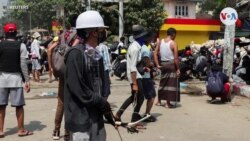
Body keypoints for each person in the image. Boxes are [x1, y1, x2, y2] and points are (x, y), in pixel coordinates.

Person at [64, 10, 115, 141]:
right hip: (81, 120)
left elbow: (101, 83)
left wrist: (104, 104)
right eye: (101, 30)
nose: (104, 33)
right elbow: (78, 88)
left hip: (96, 117)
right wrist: (101, 102)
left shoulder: (95, 54)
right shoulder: (75, 54)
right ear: (93, 32)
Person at [0, 23, 32, 138]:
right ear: (16, 33)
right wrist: (27, 80)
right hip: (16, 80)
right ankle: (21, 130)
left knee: (1, 106)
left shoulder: (0, 45)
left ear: (5, 33)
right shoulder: (21, 46)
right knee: (19, 106)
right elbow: (23, 65)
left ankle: (0, 131)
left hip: (1, 80)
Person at [48, 17, 78, 140]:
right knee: (71, 102)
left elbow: (49, 50)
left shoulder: (62, 36)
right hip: (72, 74)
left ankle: (56, 130)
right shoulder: (78, 36)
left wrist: (51, 68)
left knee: (61, 102)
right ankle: (67, 132)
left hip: (62, 74)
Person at [114, 25, 147, 124]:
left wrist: (144, 68)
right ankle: (134, 117)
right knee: (139, 97)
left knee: (135, 97)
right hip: (134, 76)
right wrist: (135, 84)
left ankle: (119, 114)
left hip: (136, 74)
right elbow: (132, 67)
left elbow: (135, 64)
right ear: (141, 37)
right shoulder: (135, 48)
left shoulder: (136, 46)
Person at [154, 27, 180, 108]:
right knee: (170, 84)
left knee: (162, 82)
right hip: (171, 65)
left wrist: (157, 64)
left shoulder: (160, 42)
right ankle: (167, 103)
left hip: (163, 65)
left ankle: (159, 101)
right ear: (173, 34)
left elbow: (155, 53)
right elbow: (176, 58)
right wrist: (178, 69)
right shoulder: (173, 43)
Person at [140, 34, 157, 122]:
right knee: (152, 96)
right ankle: (147, 114)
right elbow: (146, 61)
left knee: (142, 96)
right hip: (146, 75)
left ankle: (141, 113)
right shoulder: (146, 49)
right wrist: (152, 65)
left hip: (142, 75)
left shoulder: (141, 47)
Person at [97, 29, 112, 100]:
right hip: (104, 70)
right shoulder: (103, 47)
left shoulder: (92, 46)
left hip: (95, 70)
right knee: (106, 90)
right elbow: (107, 62)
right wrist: (109, 74)